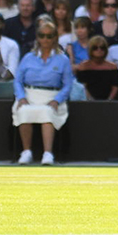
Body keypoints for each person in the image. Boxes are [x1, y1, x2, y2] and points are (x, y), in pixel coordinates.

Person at [12, 18, 73, 164]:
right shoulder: (28, 57)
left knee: (47, 112)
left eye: (49, 36)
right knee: (24, 111)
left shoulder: (63, 59)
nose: (45, 39)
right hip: (29, 94)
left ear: (55, 38)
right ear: (38, 38)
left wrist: (57, 100)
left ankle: (48, 153)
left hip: (52, 96)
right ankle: (26, 152)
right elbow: (18, 80)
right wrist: (21, 97)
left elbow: (68, 85)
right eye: (42, 36)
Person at [74, 36, 118, 101]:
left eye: (102, 48)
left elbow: (115, 86)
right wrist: (91, 100)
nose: (99, 50)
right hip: (88, 101)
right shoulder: (83, 67)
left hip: (109, 101)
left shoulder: (113, 67)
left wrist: (109, 100)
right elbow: (83, 87)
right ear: (90, 49)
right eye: (95, 48)